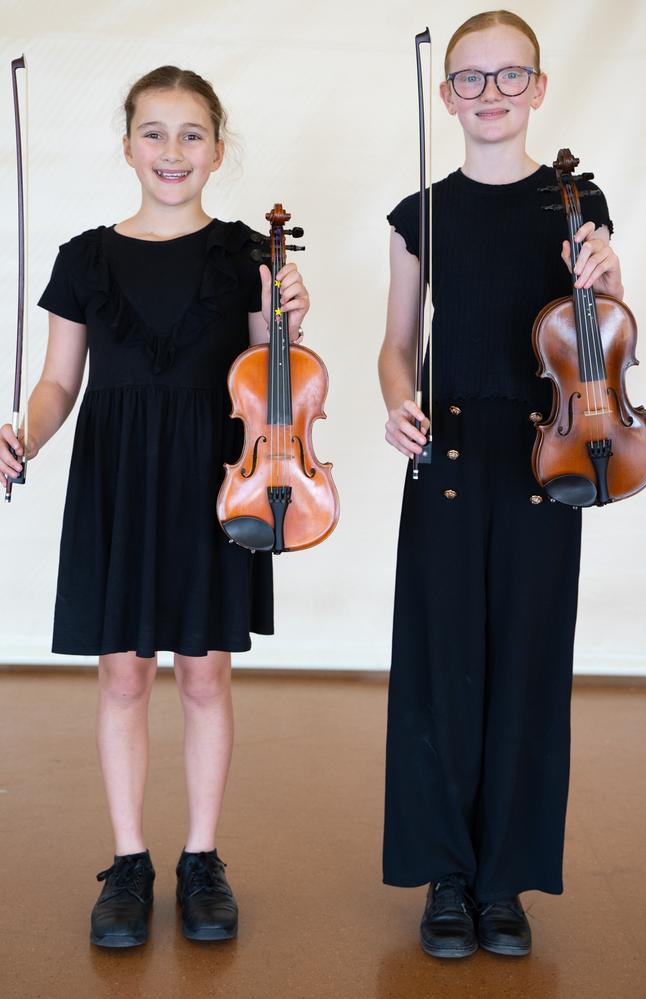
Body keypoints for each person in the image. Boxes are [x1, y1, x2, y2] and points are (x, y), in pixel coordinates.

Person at [0, 65, 309, 948]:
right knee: (124, 673)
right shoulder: (85, 256)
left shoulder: (254, 253)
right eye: (154, 132)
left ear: (218, 147)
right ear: (127, 143)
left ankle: (202, 857)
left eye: (191, 134)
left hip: (216, 479)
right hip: (116, 478)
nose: (172, 151)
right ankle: (128, 860)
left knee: (205, 674)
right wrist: (25, 429)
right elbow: (60, 382)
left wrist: (288, 316)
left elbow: (271, 384)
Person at [378, 10, 623, 959]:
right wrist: (400, 402)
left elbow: (596, 322)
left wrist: (605, 269)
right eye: (471, 79)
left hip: (545, 451)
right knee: (440, 666)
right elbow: (398, 346)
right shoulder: (419, 213)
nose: (491, 94)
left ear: (539, 87)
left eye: (508, 76)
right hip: (444, 450)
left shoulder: (574, 198)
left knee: (526, 661)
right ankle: (446, 874)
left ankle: (503, 881)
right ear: (447, 96)